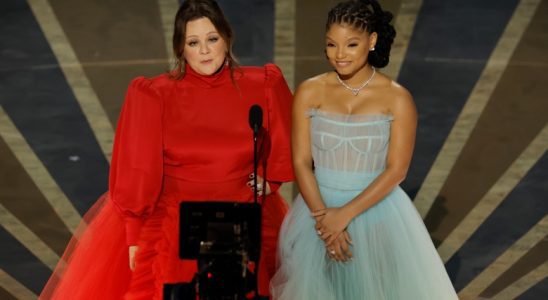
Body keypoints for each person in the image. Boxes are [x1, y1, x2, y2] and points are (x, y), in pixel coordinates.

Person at [40, 0, 293, 299]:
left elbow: (288, 141)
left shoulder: (262, 85)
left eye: (212, 39)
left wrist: (271, 182)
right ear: (180, 49)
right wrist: (134, 235)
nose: (205, 50)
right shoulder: (155, 95)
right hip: (175, 225)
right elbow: (137, 167)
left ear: (226, 38)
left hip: (238, 218)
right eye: (193, 42)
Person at [270, 0, 458, 299]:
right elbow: (301, 161)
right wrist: (323, 219)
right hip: (316, 212)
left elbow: (397, 169)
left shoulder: (397, 99)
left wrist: (344, 215)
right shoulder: (309, 91)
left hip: (377, 212)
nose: (340, 54)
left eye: (351, 44)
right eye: (332, 44)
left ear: (372, 41)